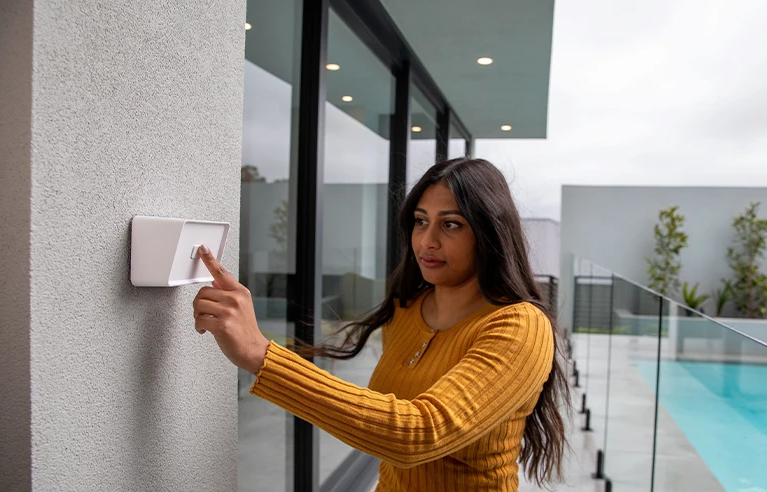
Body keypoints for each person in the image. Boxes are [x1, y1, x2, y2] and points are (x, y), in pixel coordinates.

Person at [192, 158, 570, 491]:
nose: (428, 240)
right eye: (421, 221)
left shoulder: (520, 326)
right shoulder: (409, 308)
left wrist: (262, 356)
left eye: (451, 224)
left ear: (489, 233)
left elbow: (416, 435)